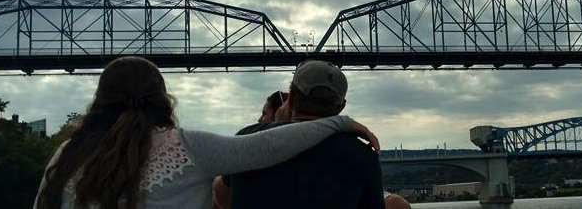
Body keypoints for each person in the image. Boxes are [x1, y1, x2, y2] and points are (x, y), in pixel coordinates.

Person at [33, 56, 379, 209]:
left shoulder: (66, 155)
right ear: (161, 97)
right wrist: (341, 124)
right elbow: (271, 144)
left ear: (101, 100)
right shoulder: (188, 148)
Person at [223, 60, 384, 209]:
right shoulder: (363, 157)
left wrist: (278, 124)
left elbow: (221, 197)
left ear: (291, 97)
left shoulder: (245, 140)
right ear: (340, 107)